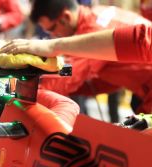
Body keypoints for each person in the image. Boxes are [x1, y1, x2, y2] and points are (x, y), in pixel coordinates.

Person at [24, 0, 152, 115]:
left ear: (66, 17)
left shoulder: (91, 33)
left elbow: (67, 74)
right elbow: (112, 73)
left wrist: (28, 90)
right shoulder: (98, 12)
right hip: (142, 93)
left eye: (52, 29)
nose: (54, 35)